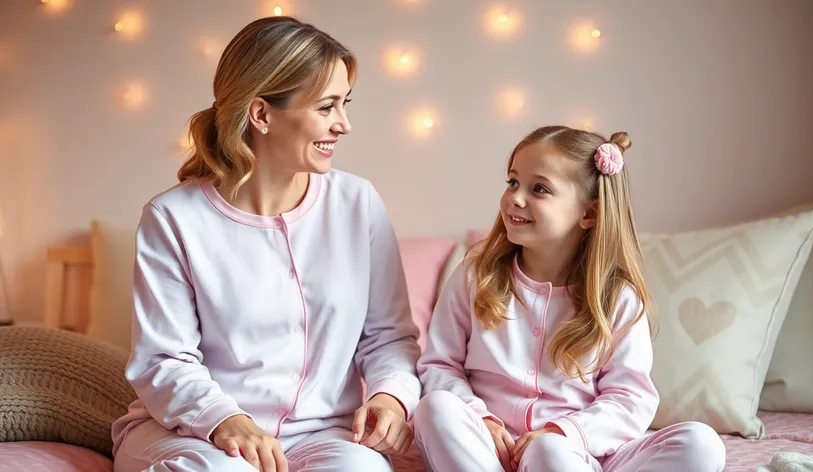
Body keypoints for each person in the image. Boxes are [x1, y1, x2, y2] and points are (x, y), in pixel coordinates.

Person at [111, 16, 422, 472]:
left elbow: (388, 337)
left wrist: (390, 397)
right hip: (196, 434)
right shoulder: (173, 217)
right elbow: (164, 359)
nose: (344, 125)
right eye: (326, 107)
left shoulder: (359, 203)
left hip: (324, 434)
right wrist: (225, 419)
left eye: (344, 104)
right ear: (261, 114)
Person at [413, 125, 726, 471]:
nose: (515, 198)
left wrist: (565, 432)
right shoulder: (476, 275)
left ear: (589, 214)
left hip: (583, 455)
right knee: (435, 407)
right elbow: (439, 365)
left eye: (540, 189)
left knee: (701, 444)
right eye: (513, 182)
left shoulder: (616, 298)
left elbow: (630, 398)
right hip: (489, 454)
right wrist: (480, 418)